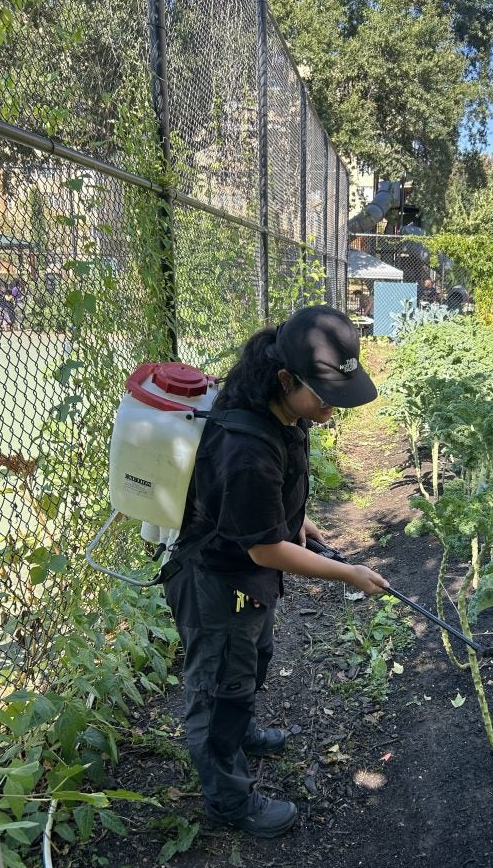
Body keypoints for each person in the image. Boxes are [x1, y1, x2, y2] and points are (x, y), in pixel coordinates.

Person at [163, 306, 388, 839]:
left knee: (253, 656)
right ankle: (229, 804)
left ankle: (243, 730)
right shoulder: (244, 445)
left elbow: (270, 497)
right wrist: (348, 573)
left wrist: (299, 518)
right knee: (219, 690)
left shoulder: (286, 411)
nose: (335, 407)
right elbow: (265, 550)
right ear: (287, 379)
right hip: (218, 580)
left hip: (247, 580)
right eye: (326, 395)